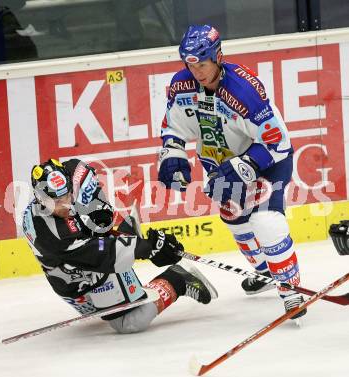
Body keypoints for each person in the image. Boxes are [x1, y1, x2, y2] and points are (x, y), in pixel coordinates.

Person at [157, 24, 306, 319]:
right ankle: (264, 273)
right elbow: (172, 125)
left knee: (265, 221)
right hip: (221, 166)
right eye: (190, 64)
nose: (196, 71)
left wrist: (244, 164)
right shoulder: (180, 84)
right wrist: (172, 153)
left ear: (218, 57)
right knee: (235, 220)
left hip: (266, 162)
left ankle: (291, 291)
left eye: (202, 63)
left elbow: (278, 141)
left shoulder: (245, 91)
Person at [22, 158, 217, 334]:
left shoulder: (75, 173)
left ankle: (178, 279)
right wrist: (144, 247)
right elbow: (96, 253)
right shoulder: (49, 235)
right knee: (99, 307)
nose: (63, 205)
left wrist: (130, 240)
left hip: (91, 267)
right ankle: (131, 236)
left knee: (129, 322)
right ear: (39, 197)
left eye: (66, 196)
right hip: (76, 275)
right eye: (55, 201)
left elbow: (102, 219)